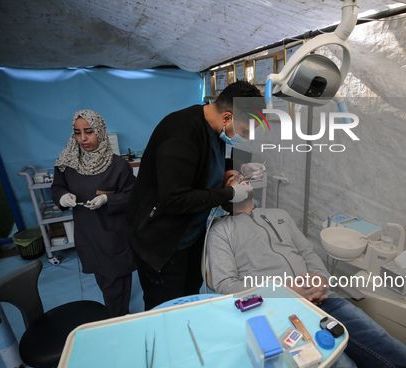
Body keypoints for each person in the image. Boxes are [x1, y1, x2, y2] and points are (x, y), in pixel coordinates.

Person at [206, 169, 406, 368]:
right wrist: (284, 291)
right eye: (231, 178)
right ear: (225, 193)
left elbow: (307, 252)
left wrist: (322, 280)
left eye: (241, 175)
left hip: (326, 301)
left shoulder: (279, 214)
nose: (241, 177)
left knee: (400, 356)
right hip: (282, 315)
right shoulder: (221, 231)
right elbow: (226, 285)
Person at [126, 80, 266, 310]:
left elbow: (205, 165)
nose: (246, 138)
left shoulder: (214, 128)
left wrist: (236, 169)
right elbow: (174, 199)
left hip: (190, 236)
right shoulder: (181, 133)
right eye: (244, 131)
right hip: (161, 240)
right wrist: (229, 192)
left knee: (190, 299)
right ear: (227, 117)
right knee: (166, 307)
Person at [52, 109, 136, 318]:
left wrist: (109, 199)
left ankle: (119, 321)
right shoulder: (67, 163)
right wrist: (62, 196)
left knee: (117, 286)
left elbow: (133, 195)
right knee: (104, 281)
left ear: (100, 131)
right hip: (87, 234)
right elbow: (57, 187)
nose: (83, 139)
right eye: (77, 132)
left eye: (88, 132)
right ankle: (117, 317)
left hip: (113, 236)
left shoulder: (118, 165)